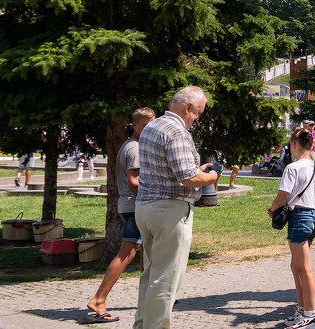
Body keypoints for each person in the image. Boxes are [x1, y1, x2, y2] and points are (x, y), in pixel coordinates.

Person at [134, 87, 219, 329]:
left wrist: (197, 171)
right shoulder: (178, 132)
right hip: (169, 210)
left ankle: (142, 325)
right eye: (198, 113)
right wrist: (211, 176)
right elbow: (188, 178)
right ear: (188, 107)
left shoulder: (152, 126)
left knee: (151, 275)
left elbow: (169, 168)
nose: (197, 119)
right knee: (166, 279)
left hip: (146, 207)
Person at [86, 107, 155, 322]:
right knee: (127, 253)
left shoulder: (133, 145)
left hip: (132, 205)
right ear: (134, 125)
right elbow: (133, 183)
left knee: (147, 251)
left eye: (151, 125)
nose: (149, 129)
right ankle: (98, 299)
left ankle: (150, 297)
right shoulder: (134, 148)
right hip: (134, 205)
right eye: (145, 126)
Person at [268, 127, 315, 329]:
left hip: (299, 218)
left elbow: (282, 196)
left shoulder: (292, 167)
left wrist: (273, 209)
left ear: (294, 144)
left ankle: (310, 315)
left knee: (304, 269)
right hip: (312, 217)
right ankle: (302, 310)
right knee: (296, 267)